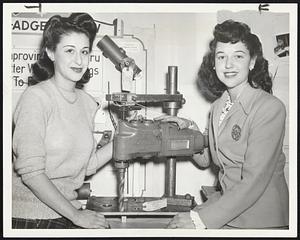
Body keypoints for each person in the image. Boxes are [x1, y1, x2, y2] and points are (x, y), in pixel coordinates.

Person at [156, 19, 289, 229]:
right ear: (214, 63)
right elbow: (205, 160)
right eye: (221, 57)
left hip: (261, 218)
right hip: (231, 207)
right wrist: (190, 132)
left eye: (238, 56)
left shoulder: (269, 108)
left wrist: (201, 220)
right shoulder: (219, 106)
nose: (228, 65)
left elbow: (254, 182)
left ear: (252, 62)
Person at [12, 13, 112, 229]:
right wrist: (77, 217)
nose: (79, 60)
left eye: (84, 52)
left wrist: (127, 139)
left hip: (66, 212)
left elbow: (86, 166)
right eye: (69, 51)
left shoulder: (87, 103)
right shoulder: (36, 97)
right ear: (50, 52)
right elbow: (31, 173)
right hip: (30, 217)